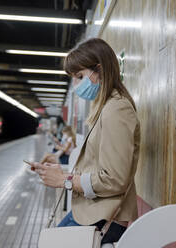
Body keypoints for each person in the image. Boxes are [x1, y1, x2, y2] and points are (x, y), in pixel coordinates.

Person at [29, 38, 140, 245]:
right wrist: (60, 170)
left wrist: (65, 180)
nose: (77, 85)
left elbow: (114, 179)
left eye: (80, 76)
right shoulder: (106, 108)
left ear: (99, 69)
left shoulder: (117, 110)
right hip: (93, 213)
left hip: (105, 217)